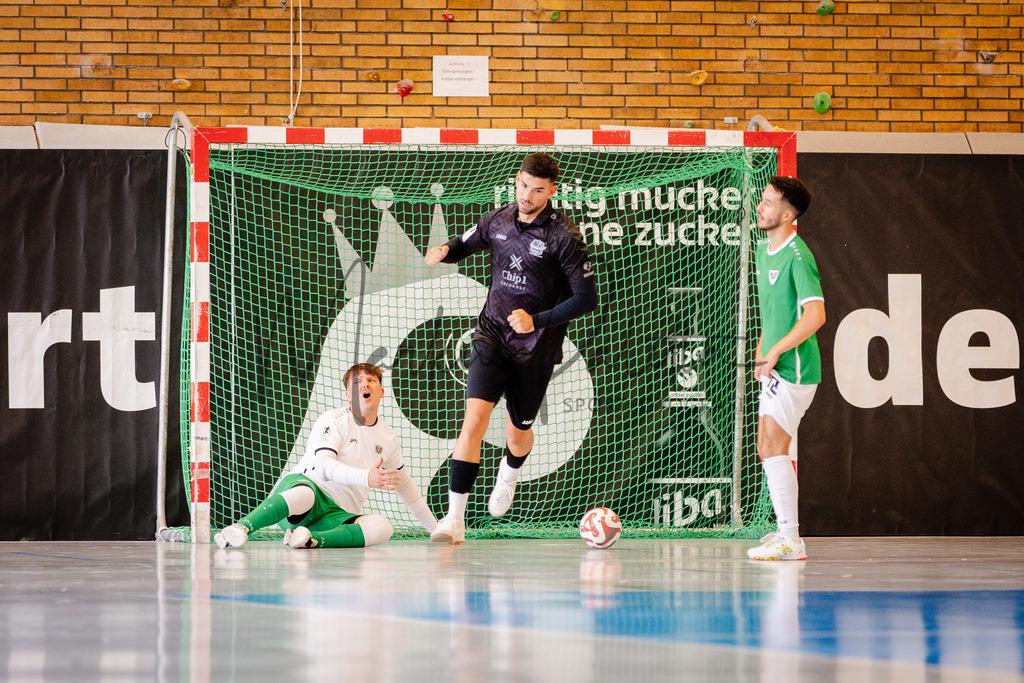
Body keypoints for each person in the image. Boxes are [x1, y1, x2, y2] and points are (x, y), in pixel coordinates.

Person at [423, 152, 598, 544]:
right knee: (473, 422)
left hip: (535, 349)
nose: (527, 196)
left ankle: (509, 473)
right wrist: (443, 251)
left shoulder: (564, 237)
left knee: (518, 433)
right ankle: (454, 520)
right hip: (491, 336)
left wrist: (536, 320)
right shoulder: (498, 220)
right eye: (523, 186)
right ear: (517, 180)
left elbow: (586, 299)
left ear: (552, 191)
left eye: (537, 190)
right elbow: (463, 243)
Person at [214, 363, 437, 549]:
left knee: (382, 528)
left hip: (335, 515)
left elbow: (407, 489)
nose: (365, 385)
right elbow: (323, 467)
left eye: (371, 380)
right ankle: (239, 528)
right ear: (348, 395)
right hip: (303, 495)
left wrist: (437, 531)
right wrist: (366, 478)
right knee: (305, 495)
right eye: (357, 382)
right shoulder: (333, 420)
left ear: (381, 392)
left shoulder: (387, 437)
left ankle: (308, 539)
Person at [747, 175, 825, 561]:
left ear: (787, 214)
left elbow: (815, 315)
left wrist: (776, 351)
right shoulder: (764, 251)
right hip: (776, 365)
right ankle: (784, 532)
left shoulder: (798, 255)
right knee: (766, 445)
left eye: (768, 202)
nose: (760, 207)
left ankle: (791, 539)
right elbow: (773, 313)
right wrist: (762, 351)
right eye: (761, 199)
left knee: (773, 445)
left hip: (795, 368)